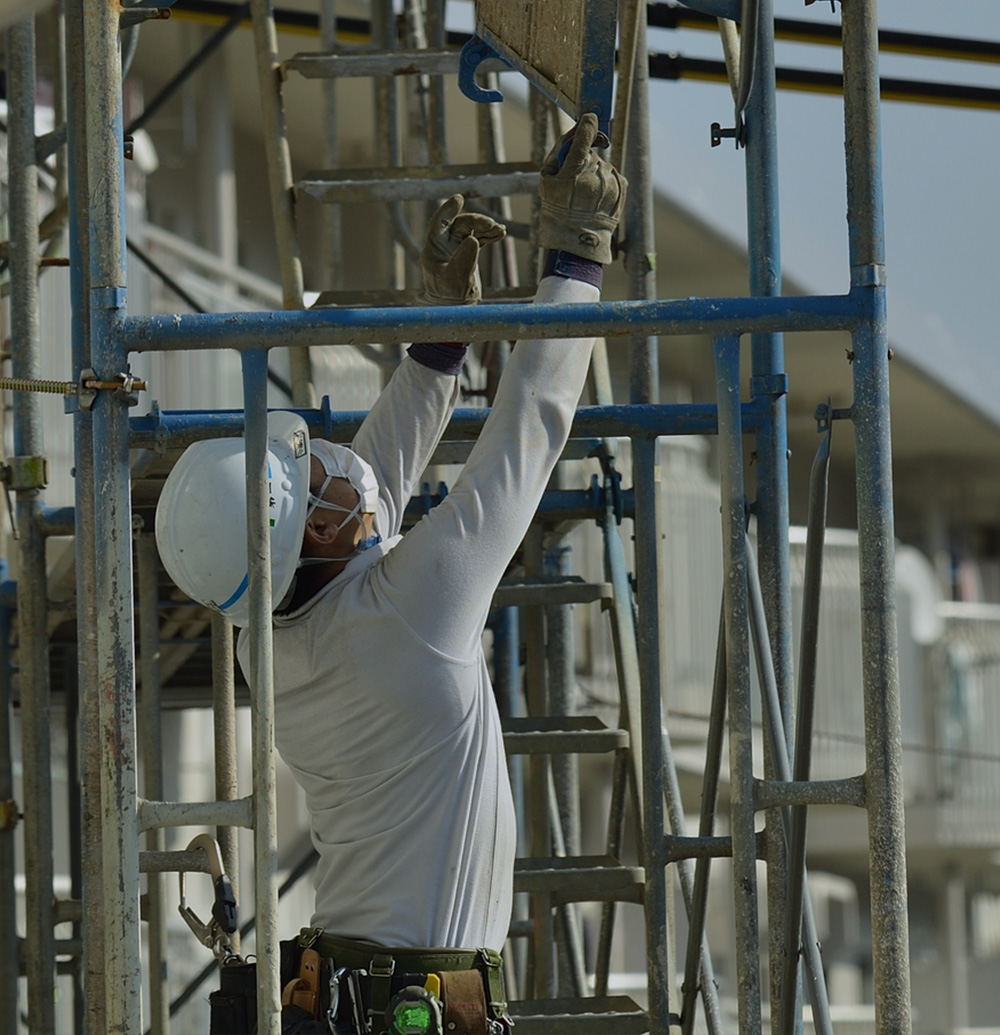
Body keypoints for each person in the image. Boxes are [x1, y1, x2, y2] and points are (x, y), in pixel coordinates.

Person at [156, 113, 625, 1025]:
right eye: (307, 476)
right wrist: (577, 256)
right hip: (396, 1004)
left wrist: (440, 340)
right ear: (315, 537)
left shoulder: (274, 633)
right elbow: (530, 426)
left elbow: (371, 481)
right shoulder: (413, 610)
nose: (327, 459)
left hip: (357, 995)